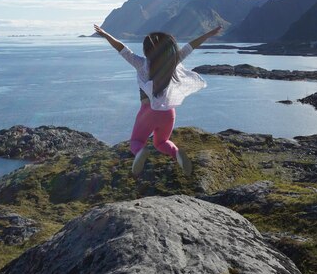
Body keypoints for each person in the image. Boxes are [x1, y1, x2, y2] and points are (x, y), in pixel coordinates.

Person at [94, 24, 222, 177]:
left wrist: (105, 34)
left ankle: (140, 153)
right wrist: (209, 34)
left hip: (148, 113)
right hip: (168, 113)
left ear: (146, 50)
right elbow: (190, 46)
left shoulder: (140, 64)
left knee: (136, 141)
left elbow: (121, 48)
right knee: (161, 142)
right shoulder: (172, 62)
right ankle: (176, 153)